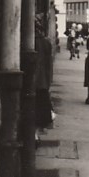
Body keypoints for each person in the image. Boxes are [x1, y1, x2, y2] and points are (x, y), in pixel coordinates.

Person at [35, 16, 54, 146]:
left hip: (28, 82)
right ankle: (35, 135)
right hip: (41, 82)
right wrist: (48, 83)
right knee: (40, 110)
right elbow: (49, 65)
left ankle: (33, 135)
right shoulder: (45, 42)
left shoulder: (23, 41)